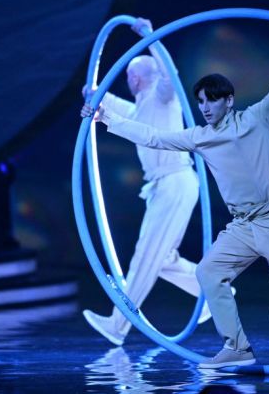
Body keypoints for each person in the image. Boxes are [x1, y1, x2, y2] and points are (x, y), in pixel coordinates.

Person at [81, 16, 269, 368]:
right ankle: (236, 347)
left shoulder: (258, 118)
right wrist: (104, 117)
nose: (205, 108)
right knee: (207, 272)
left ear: (229, 100)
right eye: (201, 103)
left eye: (211, 101)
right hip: (243, 225)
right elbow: (151, 135)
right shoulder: (199, 136)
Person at [82, 18, 219, 346]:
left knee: (146, 256)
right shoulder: (143, 107)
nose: (128, 80)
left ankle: (119, 324)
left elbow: (170, 76)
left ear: (135, 77)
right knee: (163, 259)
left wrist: (150, 36)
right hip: (164, 187)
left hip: (175, 183)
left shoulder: (162, 96)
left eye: (130, 76)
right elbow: (113, 106)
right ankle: (213, 292)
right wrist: (93, 99)